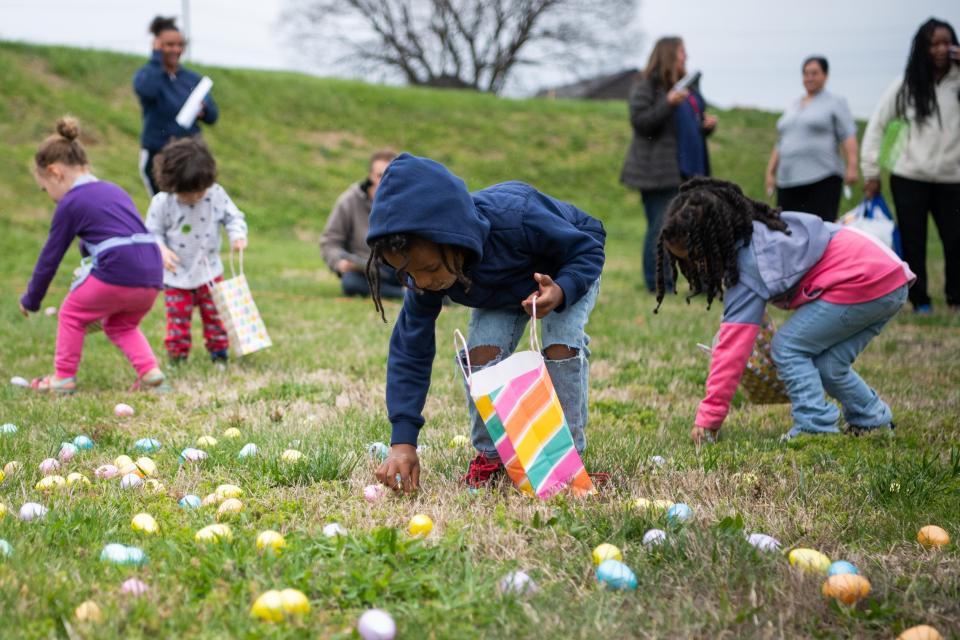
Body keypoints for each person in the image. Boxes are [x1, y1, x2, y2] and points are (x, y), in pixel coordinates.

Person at [364, 154, 605, 492]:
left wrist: (562, 290)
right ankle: (491, 454)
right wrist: (403, 442)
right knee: (478, 354)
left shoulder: (518, 216)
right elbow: (410, 349)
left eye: (430, 270)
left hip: (563, 271)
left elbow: (589, 248)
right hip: (501, 291)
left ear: (455, 239)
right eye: (407, 273)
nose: (421, 282)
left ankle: (569, 460)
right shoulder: (425, 272)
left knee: (559, 344)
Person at [654, 178, 914, 443]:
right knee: (829, 365)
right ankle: (871, 420)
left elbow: (731, 351)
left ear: (714, 243)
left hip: (865, 278)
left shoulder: (749, 266)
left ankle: (815, 427)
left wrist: (708, 419)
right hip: (887, 274)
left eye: (695, 258)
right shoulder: (755, 232)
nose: (696, 268)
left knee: (788, 347)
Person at [19, 117, 169, 393]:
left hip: (118, 270)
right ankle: (150, 371)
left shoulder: (70, 203)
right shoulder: (113, 190)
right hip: (152, 272)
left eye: (45, 188)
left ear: (55, 172)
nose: (50, 196)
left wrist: (32, 299)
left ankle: (63, 377)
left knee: (71, 314)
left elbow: (50, 258)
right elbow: (114, 234)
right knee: (122, 325)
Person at [861, 18, 960, 314]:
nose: (941, 49)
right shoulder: (905, 85)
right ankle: (921, 301)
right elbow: (877, 126)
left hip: (953, 178)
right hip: (909, 176)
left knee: (955, 240)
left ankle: (956, 299)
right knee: (913, 239)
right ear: (923, 48)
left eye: (946, 42)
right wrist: (871, 172)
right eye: (934, 44)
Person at [620, 36, 717, 292]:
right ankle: (658, 283)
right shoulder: (648, 85)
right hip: (658, 172)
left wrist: (705, 125)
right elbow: (641, 122)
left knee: (696, 228)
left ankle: (703, 284)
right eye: (680, 51)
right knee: (661, 228)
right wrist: (668, 103)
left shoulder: (689, 87)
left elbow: (688, 124)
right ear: (667, 54)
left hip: (691, 170)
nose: (685, 56)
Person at [145, 137, 248, 365]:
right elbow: (152, 232)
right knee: (177, 321)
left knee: (216, 317)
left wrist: (238, 235)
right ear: (171, 184)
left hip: (210, 273)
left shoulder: (215, 194)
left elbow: (233, 217)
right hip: (176, 276)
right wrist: (160, 249)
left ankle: (219, 355)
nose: (194, 197)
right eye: (188, 193)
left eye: (199, 191)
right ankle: (177, 357)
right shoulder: (163, 203)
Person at [764, 56, 859, 222]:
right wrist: (771, 172)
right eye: (806, 74)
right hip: (788, 181)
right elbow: (781, 141)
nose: (809, 78)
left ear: (825, 75)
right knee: (786, 229)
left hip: (822, 178)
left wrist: (852, 166)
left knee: (820, 228)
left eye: (814, 73)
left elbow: (848, 135)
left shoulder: (835, 102)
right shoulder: (793, 106)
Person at [133, 16, 219, 196]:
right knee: (164, 208)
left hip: (192, 155)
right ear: (157, 45)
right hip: (159, 154)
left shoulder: (192, 79)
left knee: (196, 205)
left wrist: (204, 110)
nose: (176, 49)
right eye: (169, 45)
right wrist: (156, 60)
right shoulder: (147, 75)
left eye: (180, 45)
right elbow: (148, 91)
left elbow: (212, 116)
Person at [320, 149, 403, 298]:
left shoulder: (408, 202)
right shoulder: (349, 201)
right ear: (370, 177)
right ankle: (405, 295)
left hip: (403, 269)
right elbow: (330, 242)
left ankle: (412, 292)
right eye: (379, 176)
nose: (385, 181)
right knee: (351, 283)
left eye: (390, 176)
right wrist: (339, 263)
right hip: (367, 270)